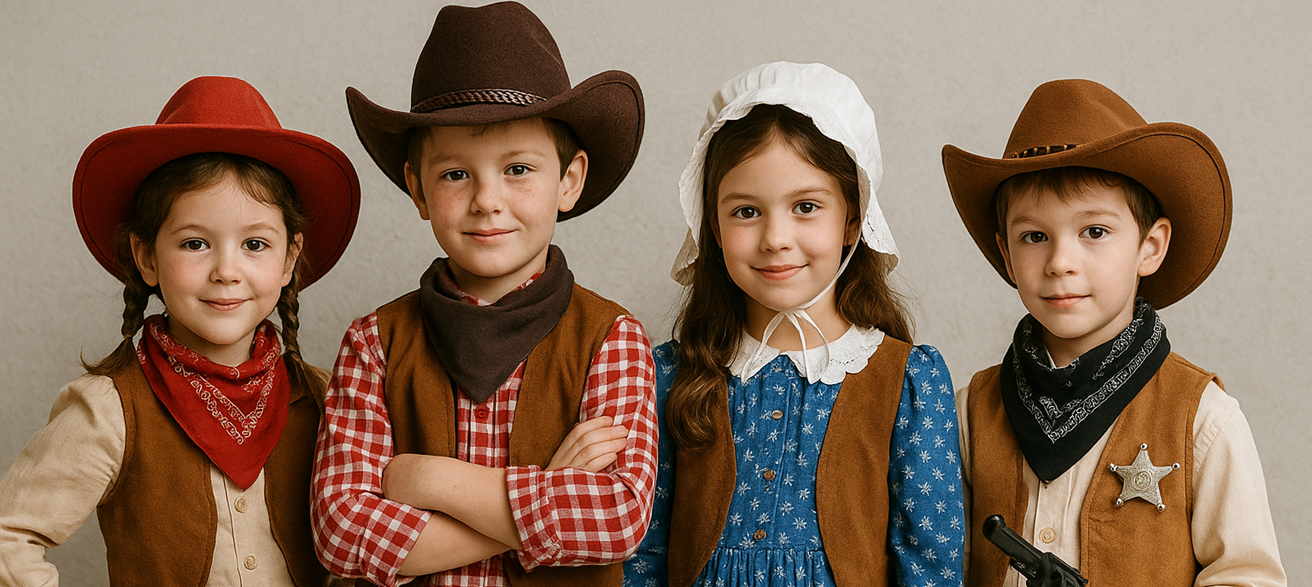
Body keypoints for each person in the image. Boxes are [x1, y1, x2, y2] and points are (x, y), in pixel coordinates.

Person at [311, 3, 656, 586]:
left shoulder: (611, 337)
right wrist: (545, 490)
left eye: (518, 169)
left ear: (568, 181)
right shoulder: (374, 342)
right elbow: (340, 533)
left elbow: (617, 517)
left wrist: (426, 481)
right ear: (417, 191)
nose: (486, 200)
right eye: (454, 175)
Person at [0, 75, 361, 586]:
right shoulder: (108, 410)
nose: (226, 271)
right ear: (146, 256)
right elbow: (8, 538)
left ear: (290, 260)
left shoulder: (326, 398)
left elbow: (360, 543)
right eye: (195, 244)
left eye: (255, 245)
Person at [625, 61, 965, 587]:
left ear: (853, 218)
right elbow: (641, 557)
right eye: (745, 211)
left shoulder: (906, 382)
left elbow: (931, 567)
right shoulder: (671, 373)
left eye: (806, 206)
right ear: (711, 223)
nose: (775, 238)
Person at [942, 78, 1286, 586]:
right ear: (1006, 254)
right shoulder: (969, 412)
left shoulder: (1203, 419)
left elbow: (1247, 577)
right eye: (1034, 236)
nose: (1060, 262)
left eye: (1094, 232)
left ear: (1150, 246)